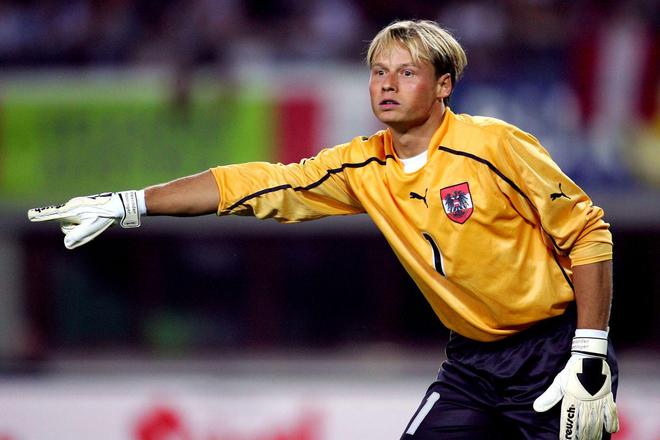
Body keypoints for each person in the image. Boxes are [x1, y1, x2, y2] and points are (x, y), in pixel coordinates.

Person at [28, 20, 618, 440]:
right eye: (378, 72)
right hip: (471, 363)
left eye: (406, 72)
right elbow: (258, 184)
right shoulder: (363, 165)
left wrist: (588, 351)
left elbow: (589, 233)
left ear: (444, 86)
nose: (387, 84)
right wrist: (130, 202)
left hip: (556, 351)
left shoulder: (493, 145)